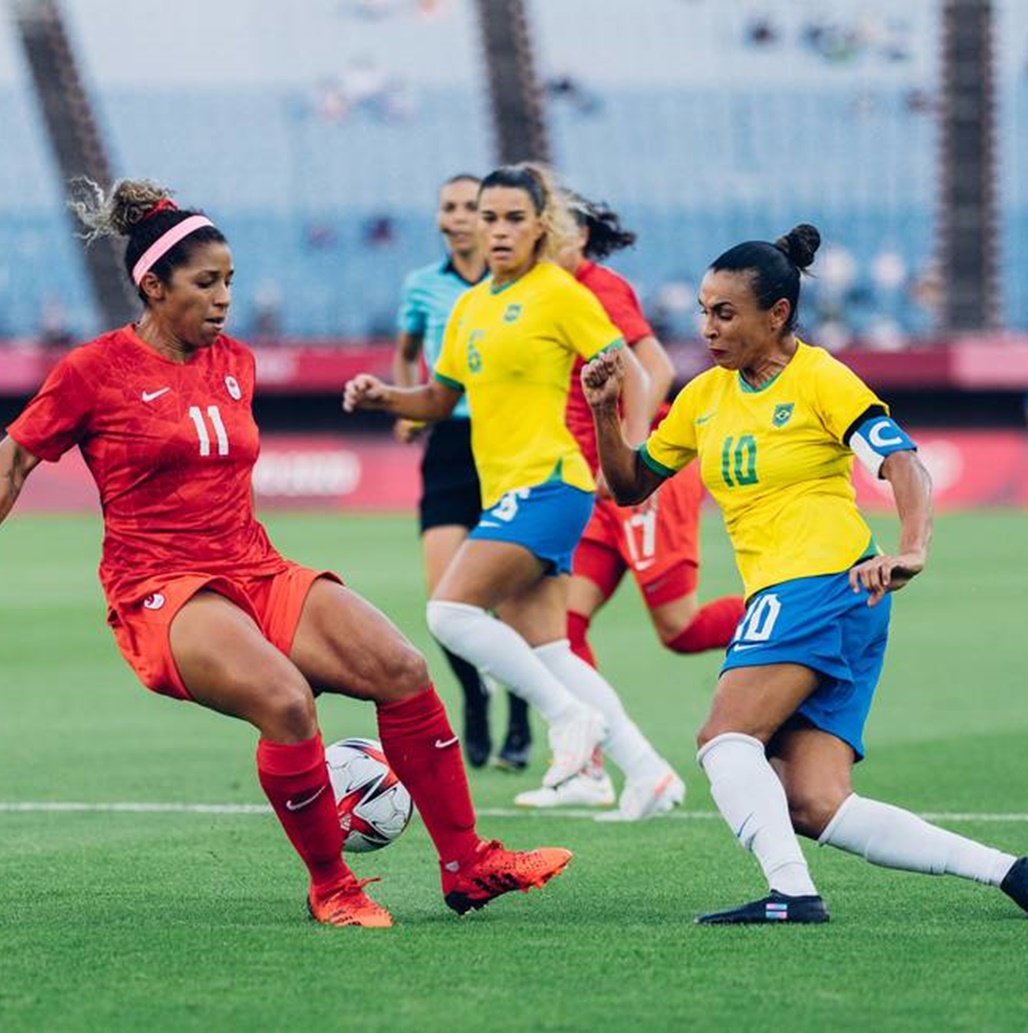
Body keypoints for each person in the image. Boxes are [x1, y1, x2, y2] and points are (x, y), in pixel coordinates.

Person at [0, 178, 574, 929]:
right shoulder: (93, 371)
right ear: (152, 285)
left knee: (401, 669)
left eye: (230, 281)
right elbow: (14, 459)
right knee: (286, 702)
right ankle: (332, 885)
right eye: (206, 283)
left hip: (254, 566)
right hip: (160, 588)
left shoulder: (234, 361)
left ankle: (467, 865)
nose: (224, 298)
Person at [582, 223, 1028, 922]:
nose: (707, 328)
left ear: (777, 314)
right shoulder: (704, 397)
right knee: (814, 802)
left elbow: (901, 461)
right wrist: (607, 413)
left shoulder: (820, 377)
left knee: (723, 736)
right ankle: (1012, 872)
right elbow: (631, 483)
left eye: (724, 313)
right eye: (702, 311)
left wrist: (912, 546)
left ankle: (790, 892)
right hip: (824, 597)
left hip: (818, 582)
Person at [344, 163, 681, 817]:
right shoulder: (471, 306)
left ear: (539, 226)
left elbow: (636, 372)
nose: (495, 229)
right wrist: (386, 394)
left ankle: (566, 722)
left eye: (512, 218)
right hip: (510, 487)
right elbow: (442, 397)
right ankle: (648, 772)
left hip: (550, 482)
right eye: (487, 216)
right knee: (549, 648)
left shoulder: (559, 293)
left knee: (448, 613)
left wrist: (630, 463)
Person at [515, 193, 744, 817]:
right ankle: (587, 765)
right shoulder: (544, 290)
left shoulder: (597, 286)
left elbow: (655, 364)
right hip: (591, 486)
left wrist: (635, 458)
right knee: (563, 627)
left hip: (637, 481)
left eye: (550, 230)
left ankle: (802, 608)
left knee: (681, 630)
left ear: (580, 236)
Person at [393, 172, 531, 771]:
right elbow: (405, 351)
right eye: (447, 206)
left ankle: (522, 713)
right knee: (443, 600)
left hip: (508, 441)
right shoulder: (422, 287)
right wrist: (406, 402)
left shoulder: (519, 286)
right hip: (449, 445)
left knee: (514, 600)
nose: (457, 216)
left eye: (469, 207)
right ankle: (475, 694)